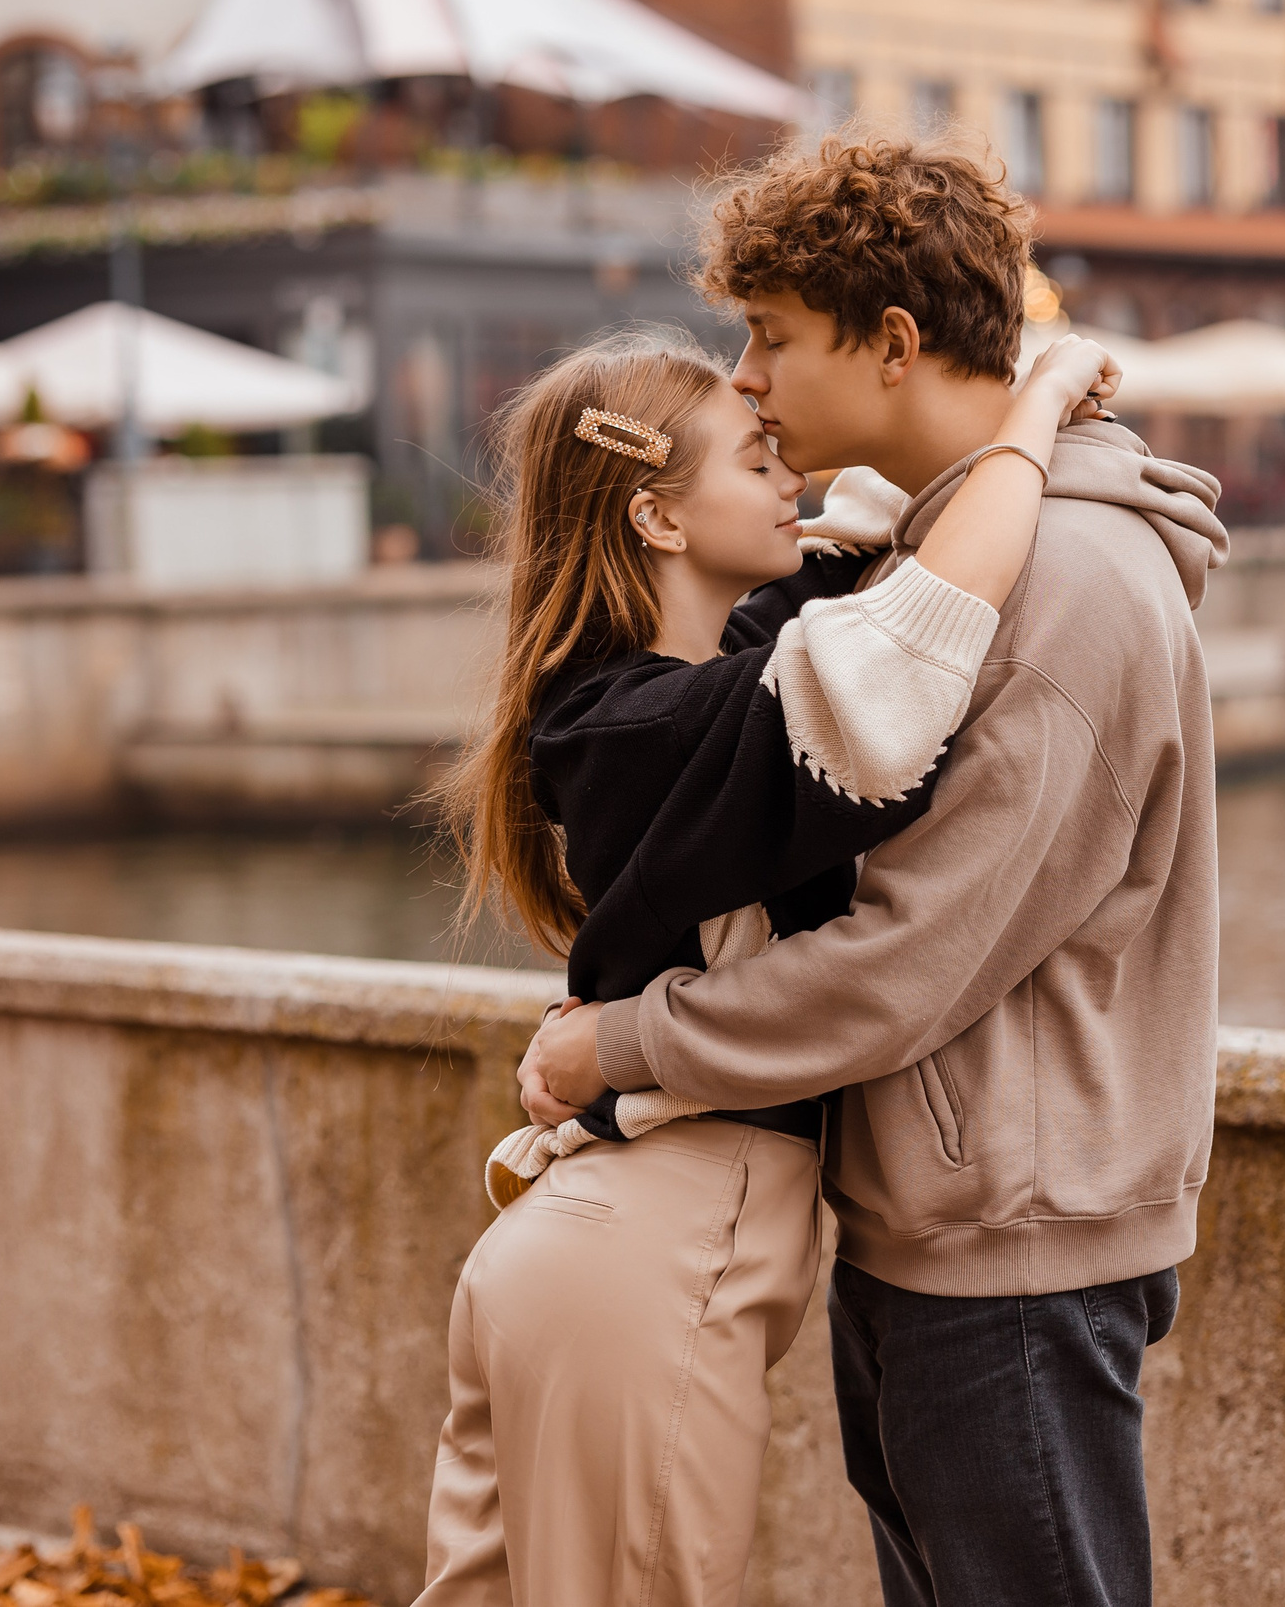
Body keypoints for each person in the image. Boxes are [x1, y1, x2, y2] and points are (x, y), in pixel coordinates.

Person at [524, 135, 1228, 1607]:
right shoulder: (949, 559)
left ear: (892, 344)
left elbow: (910, 958)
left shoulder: (1072, 588)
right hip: (949, 1221)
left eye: (774, 338)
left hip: (1012, 1253)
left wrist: (626, 1043)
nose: (754, 379)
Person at [417, 316, 1121, 1607]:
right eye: (753, 463)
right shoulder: (651, 724)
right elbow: (916, 630)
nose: (783, 475)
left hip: (589, 1255)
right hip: (649, 1264)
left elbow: (860, 553)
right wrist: (1040, 402)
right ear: (659, 521)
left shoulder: (675, 690)